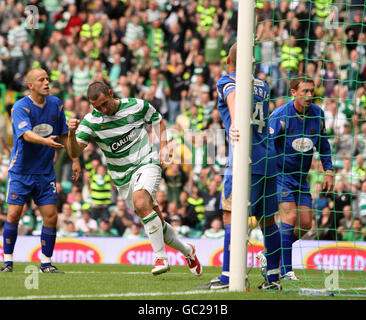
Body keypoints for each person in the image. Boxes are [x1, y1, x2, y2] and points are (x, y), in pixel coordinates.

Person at [66, 80, 202, 276]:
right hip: (122, 177)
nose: (103, 109)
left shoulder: (136, 106)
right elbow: (75, 150)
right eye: (98, 107)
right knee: (156, 222)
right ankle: (188, 251)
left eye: (105, 103)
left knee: (141, 202)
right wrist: (71, 133)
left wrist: (163, 145)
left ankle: (160, 257)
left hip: (147, 162)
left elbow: (157, 120)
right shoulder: (91, 120)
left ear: (111, 93)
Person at [199, 42, 281, 290]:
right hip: (269, 159)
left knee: (231, 216)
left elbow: (233, 96)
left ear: (228, 61)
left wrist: (235, 121)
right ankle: (274, 278)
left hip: (246, 158)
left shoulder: (226, 80)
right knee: (268, 221)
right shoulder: (263, 85)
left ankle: (228, 277)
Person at [1, 68, 81, 273]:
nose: (47, 82)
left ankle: (46, 263)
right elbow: (26, 134)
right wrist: (45, 141)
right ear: (31, 85)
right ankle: (7, 261)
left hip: (45, 172)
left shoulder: (56, 104)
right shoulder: (20, 107)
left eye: (48, 78)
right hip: (21, 171)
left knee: (51, 216)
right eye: (41, 80)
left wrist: (74, 159)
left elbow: (64, 135)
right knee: (14, 214)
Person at [268, 76, 334, 280]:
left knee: (306, 224)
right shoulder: (279, 115)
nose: (309, 96)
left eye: (312, 91)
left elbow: (323, 145)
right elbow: (268, 144)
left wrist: (328, 171)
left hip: (301, 178)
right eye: (304, 91)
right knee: (290, 218)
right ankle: (285, 270)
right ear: (293, 93)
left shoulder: (318, 114)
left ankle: (272, 252)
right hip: (280, 174)